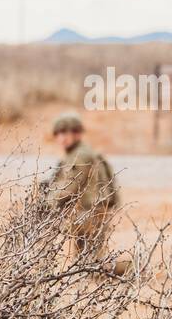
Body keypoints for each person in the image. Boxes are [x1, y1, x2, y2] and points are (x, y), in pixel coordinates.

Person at [43, 112, 121, 261]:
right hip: (89, 211)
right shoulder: (76, 153)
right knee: (85, 261)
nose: (62, 137)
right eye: (59, 133)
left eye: (69, 132)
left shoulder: (81, 155)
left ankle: (131, 268)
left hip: (90, 212)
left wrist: (46, 203)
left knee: (89, 263)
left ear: (78, 134)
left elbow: (70, 187)